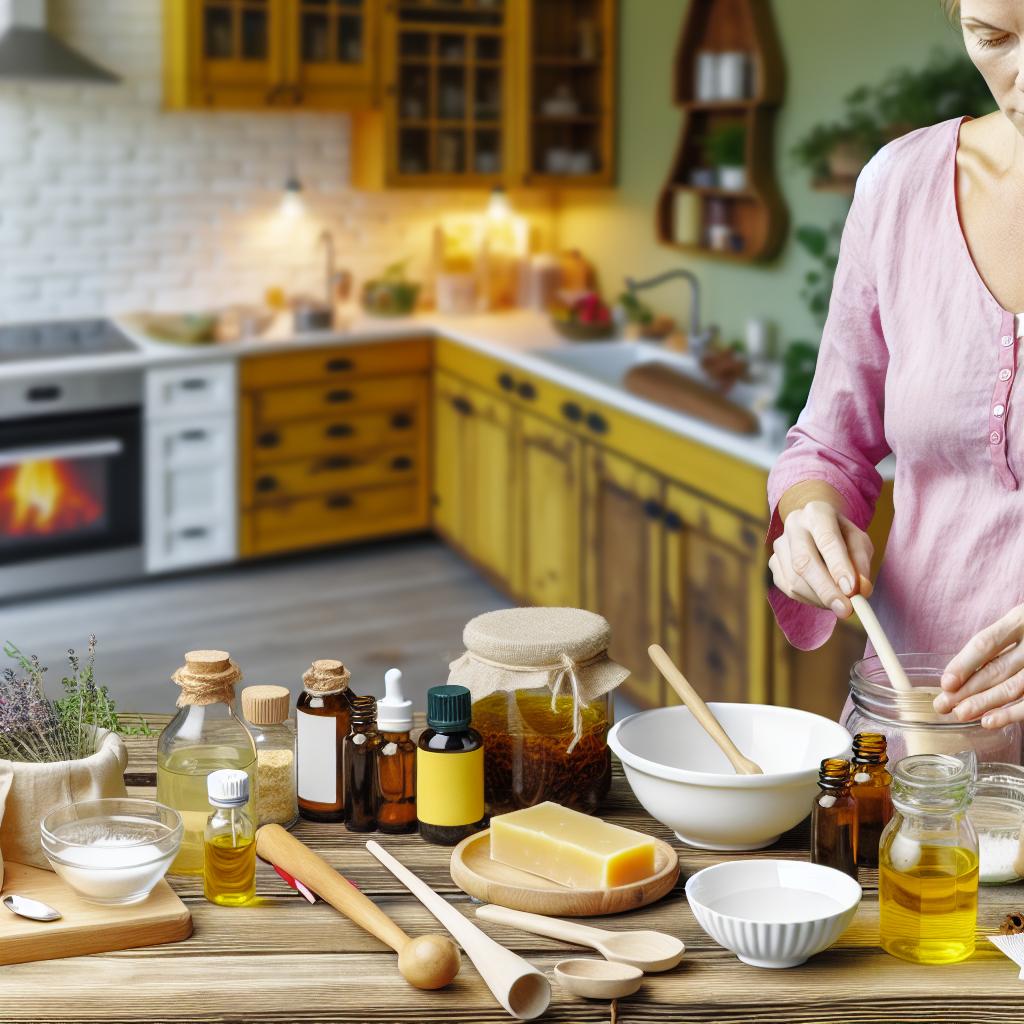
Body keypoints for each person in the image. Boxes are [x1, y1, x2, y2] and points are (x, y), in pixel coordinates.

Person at [767, 0, 1024, 732]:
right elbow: (829, 443)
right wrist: (811, 515)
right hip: (909, 744)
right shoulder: (900, 187)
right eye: (994, 39)